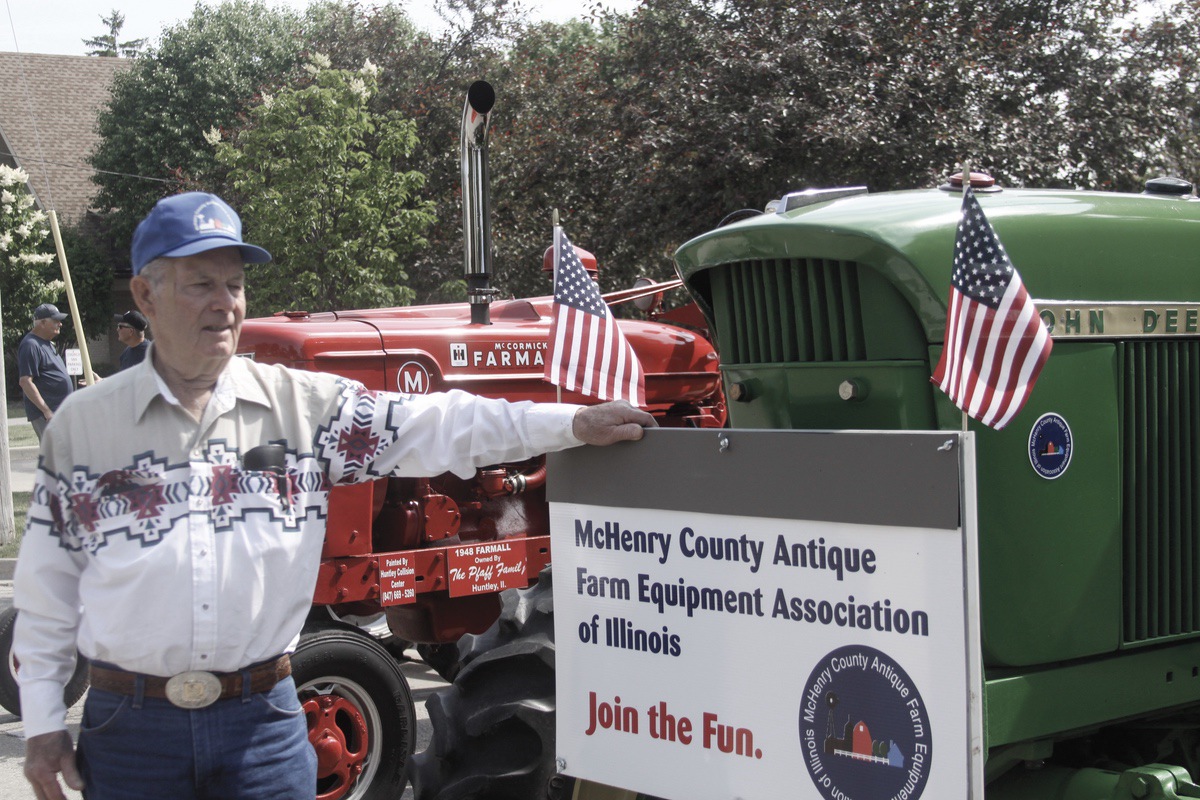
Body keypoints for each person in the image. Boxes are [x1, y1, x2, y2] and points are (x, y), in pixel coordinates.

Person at [14, 191, 655, 800]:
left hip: (260, 726)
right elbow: (48, 589)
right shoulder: (85, 427)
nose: (225, 304)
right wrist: (42, 722)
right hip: (131, 732)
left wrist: (571, 423)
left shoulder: (303, 410)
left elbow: (439, 424)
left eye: (235, 284)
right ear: (144, 296)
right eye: (201, 284)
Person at [16, 303, 73, 442]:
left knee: (63, 455)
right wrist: (46, 411)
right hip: (47, 414)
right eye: (56, 321)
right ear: (42, 323)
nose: (60, 324)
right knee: (55, 456)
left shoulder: (46, 343)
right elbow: (25, 381)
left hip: (58, 411)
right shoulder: (31, 345)